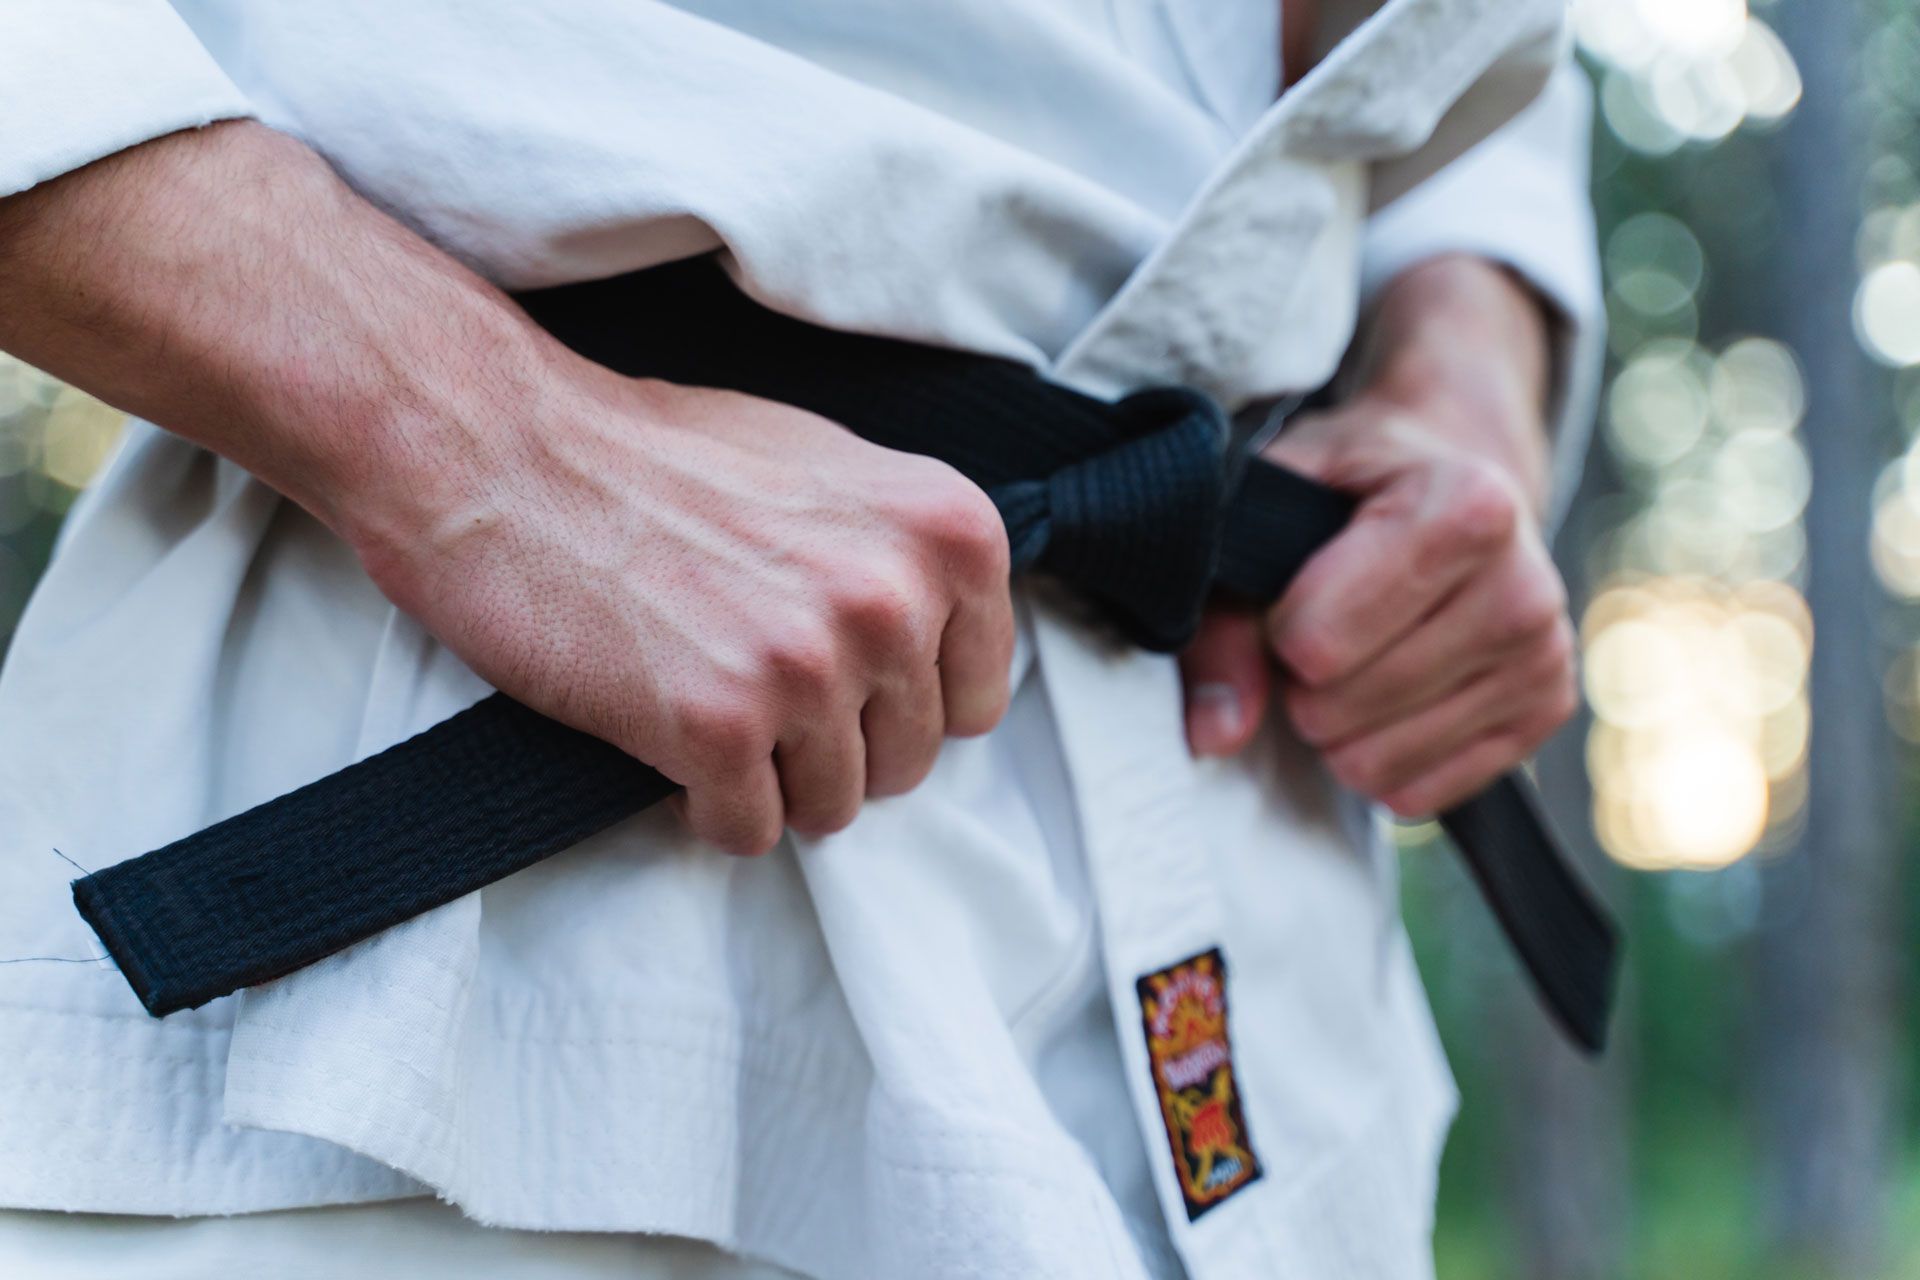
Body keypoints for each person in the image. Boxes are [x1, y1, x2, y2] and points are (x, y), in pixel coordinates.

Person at [0, 1, 1600, 1276]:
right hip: (467, 986)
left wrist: (1465, 375)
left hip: (1254, 958)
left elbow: (1458, 88)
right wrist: (485, 443)